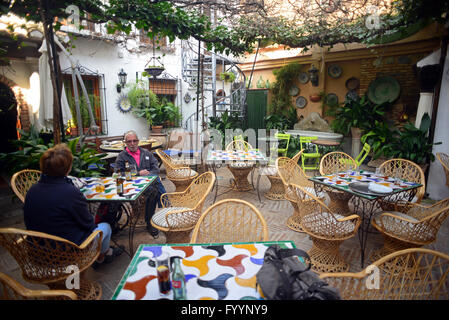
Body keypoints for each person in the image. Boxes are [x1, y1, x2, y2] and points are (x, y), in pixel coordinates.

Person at [23, 143, 123, 269]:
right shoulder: (69, 192)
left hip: (38, 252)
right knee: (106, 227)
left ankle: (107, 252)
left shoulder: (32, 190)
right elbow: (88, 225)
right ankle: (101, 257)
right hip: (67, 252)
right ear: (68, 168)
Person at [114, 130, 166, 238]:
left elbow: (155, 168)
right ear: (125, 143)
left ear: (138, 141)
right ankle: (165, 202)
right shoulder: (122, 156)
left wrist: (147, 176)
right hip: (131, 185)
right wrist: (138, 174)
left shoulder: (146, 153)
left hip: (147, 184)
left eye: (134, 141)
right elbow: (117, 173)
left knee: (153, 190)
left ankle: (149, 222)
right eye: (129, 141)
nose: (132, 143)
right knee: (156, 183)